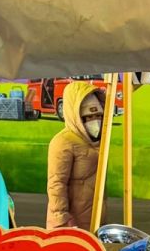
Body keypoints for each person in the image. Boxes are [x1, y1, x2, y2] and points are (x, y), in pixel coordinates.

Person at [45, 81, 107, 231]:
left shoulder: (99, 141)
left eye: (98, 116)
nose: (95, 121)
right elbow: (56, 184)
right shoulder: (62, 142)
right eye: (88, 117)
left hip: (95, 222)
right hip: (70, 226)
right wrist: (62, 220)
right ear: (76, 115)